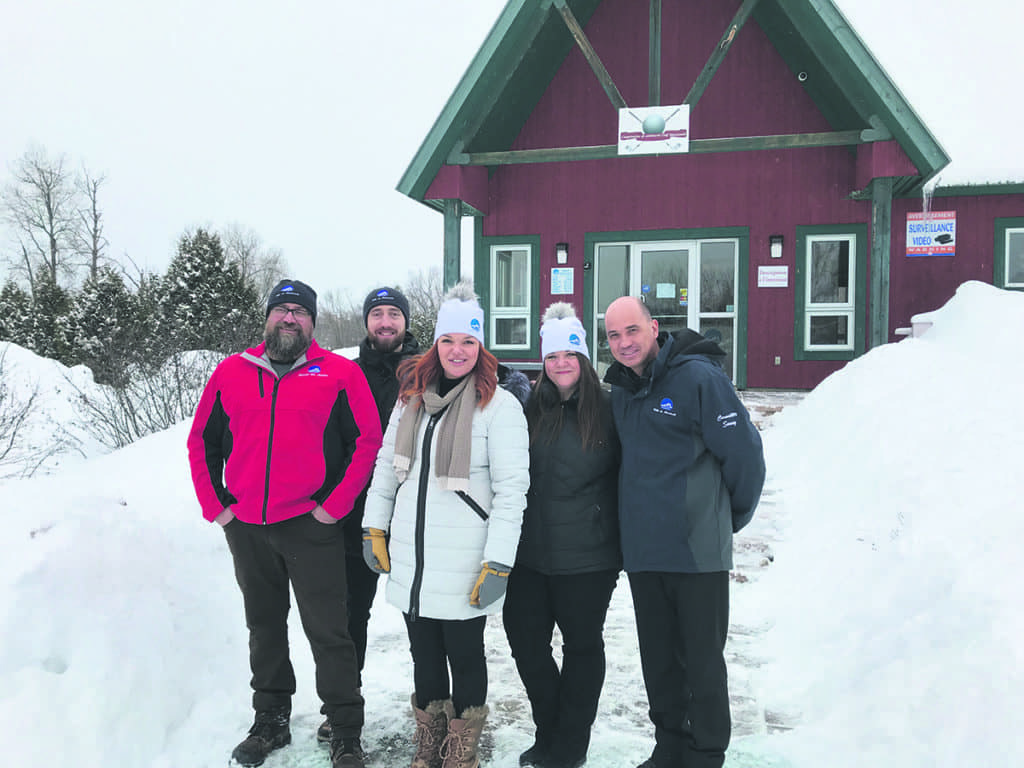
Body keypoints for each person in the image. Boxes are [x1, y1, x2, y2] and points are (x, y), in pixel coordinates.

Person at [187, 279, 383, 768]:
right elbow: (202, 442)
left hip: (309, 525)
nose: (290, 318)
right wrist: (219, 508)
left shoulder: (337, 374)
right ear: (268, 318)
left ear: (312, 322)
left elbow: (368, 442)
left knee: (329, 631)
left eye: (300, 311)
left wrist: (333, 508)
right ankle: (270, 719)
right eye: (282, 310)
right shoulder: (231, 372)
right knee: (264, 626)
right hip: (248, 525)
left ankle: (344, 728)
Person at [361, 281, 529, 768]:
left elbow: (512, 492)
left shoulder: (499, 407)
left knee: (465, 654)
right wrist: (375, 527)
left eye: (469, 342)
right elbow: (385, 469)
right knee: (424, 655)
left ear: (481, 347)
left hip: (464, 559)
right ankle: (429, 742)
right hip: (414, 558)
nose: (458, 351)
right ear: (436, 345)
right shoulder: (411, 399)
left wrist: (498, 561)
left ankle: (462, 751)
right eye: (449, 341)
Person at [601, 297, 766, 768]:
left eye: (631, 331)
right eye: (613, 336)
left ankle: (706, 752)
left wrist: (723, 519)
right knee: (659, 662)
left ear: (654, 328)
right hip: (645, 552)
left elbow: (745, 458)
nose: (624, 343)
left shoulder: (699, 379)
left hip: (697, 553)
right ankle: (669, 745)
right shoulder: (622, 392)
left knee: (702, 662)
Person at [503, 303, 621, 768]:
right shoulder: (527, 408)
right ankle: (549, 731)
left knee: (582, 647)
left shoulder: (612, 407)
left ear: (585, 356)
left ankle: (570, 746)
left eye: (570, 353)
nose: (561, 363)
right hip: (530, 553)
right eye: (552, 356)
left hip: (589, 558)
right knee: (526, 643)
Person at [316, 286, 423, 744]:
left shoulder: (428, 370)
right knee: (349, 618)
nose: (384, 322)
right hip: (354, 518)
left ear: (405, 322)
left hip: (418, 519)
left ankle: (433, 706)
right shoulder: (346, 374)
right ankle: (342, 707)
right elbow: (328, 441)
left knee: (424, 621)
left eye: (392, 314)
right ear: (366, 323)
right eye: (376, 314)